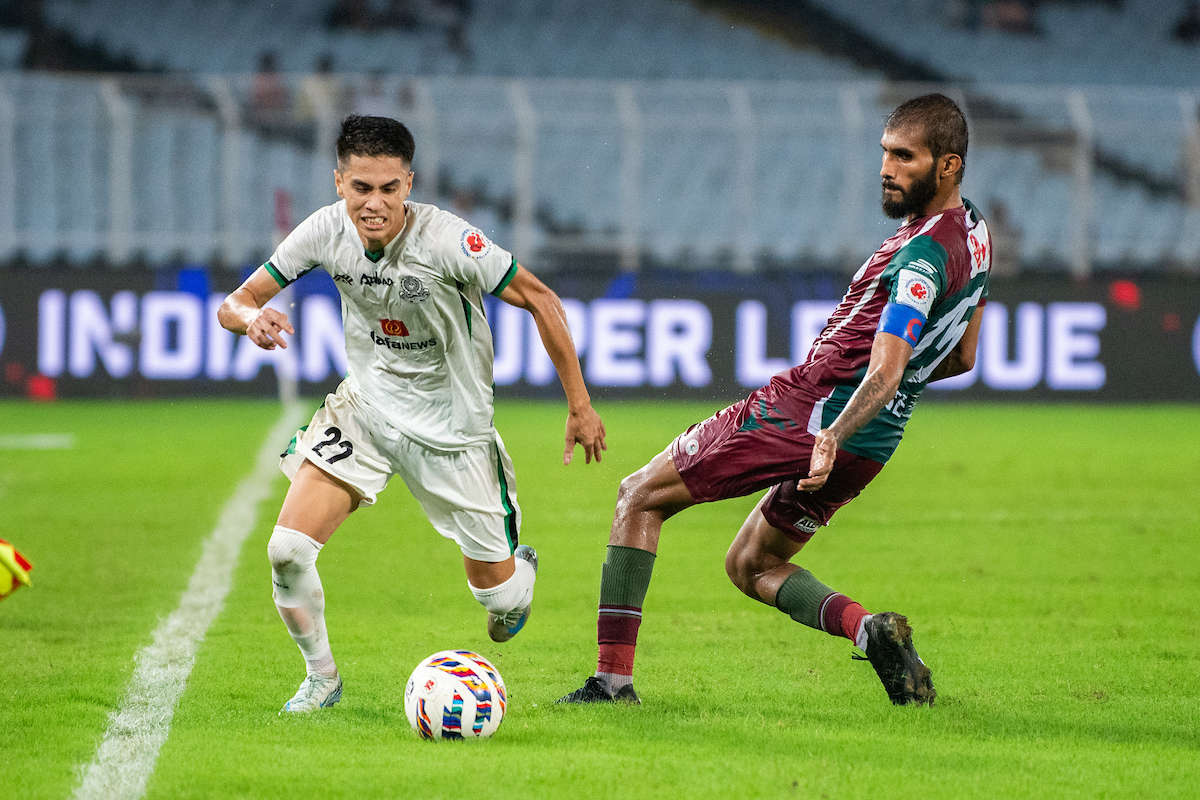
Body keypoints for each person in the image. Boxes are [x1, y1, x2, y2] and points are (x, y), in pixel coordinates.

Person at [559, 94, 991, 708]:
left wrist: (831, 431)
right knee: (751, 565)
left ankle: (611, 683)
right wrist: (858, 425)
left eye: (905, 156)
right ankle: (869, 632)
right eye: (884, 153)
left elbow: (888, 368)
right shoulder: (975, 232)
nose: (887, 168)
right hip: (875, 439)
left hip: (812, 414)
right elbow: (963, 356)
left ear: (948, 166)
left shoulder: (921, 254)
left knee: (639, 495)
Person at [218, 115, 606, 713]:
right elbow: (235, 304)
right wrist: (252, 319)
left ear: (409, 184)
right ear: (340, 182)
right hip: (367, 413)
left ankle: (516, 579)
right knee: (287, 551)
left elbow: (541, 299)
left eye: (389, 189)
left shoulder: (450, 241)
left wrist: (580, 405)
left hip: (455, 434)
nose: (374, 204)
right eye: (360, 188)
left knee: (499, 606)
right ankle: (322, 679)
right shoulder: (324, 230)